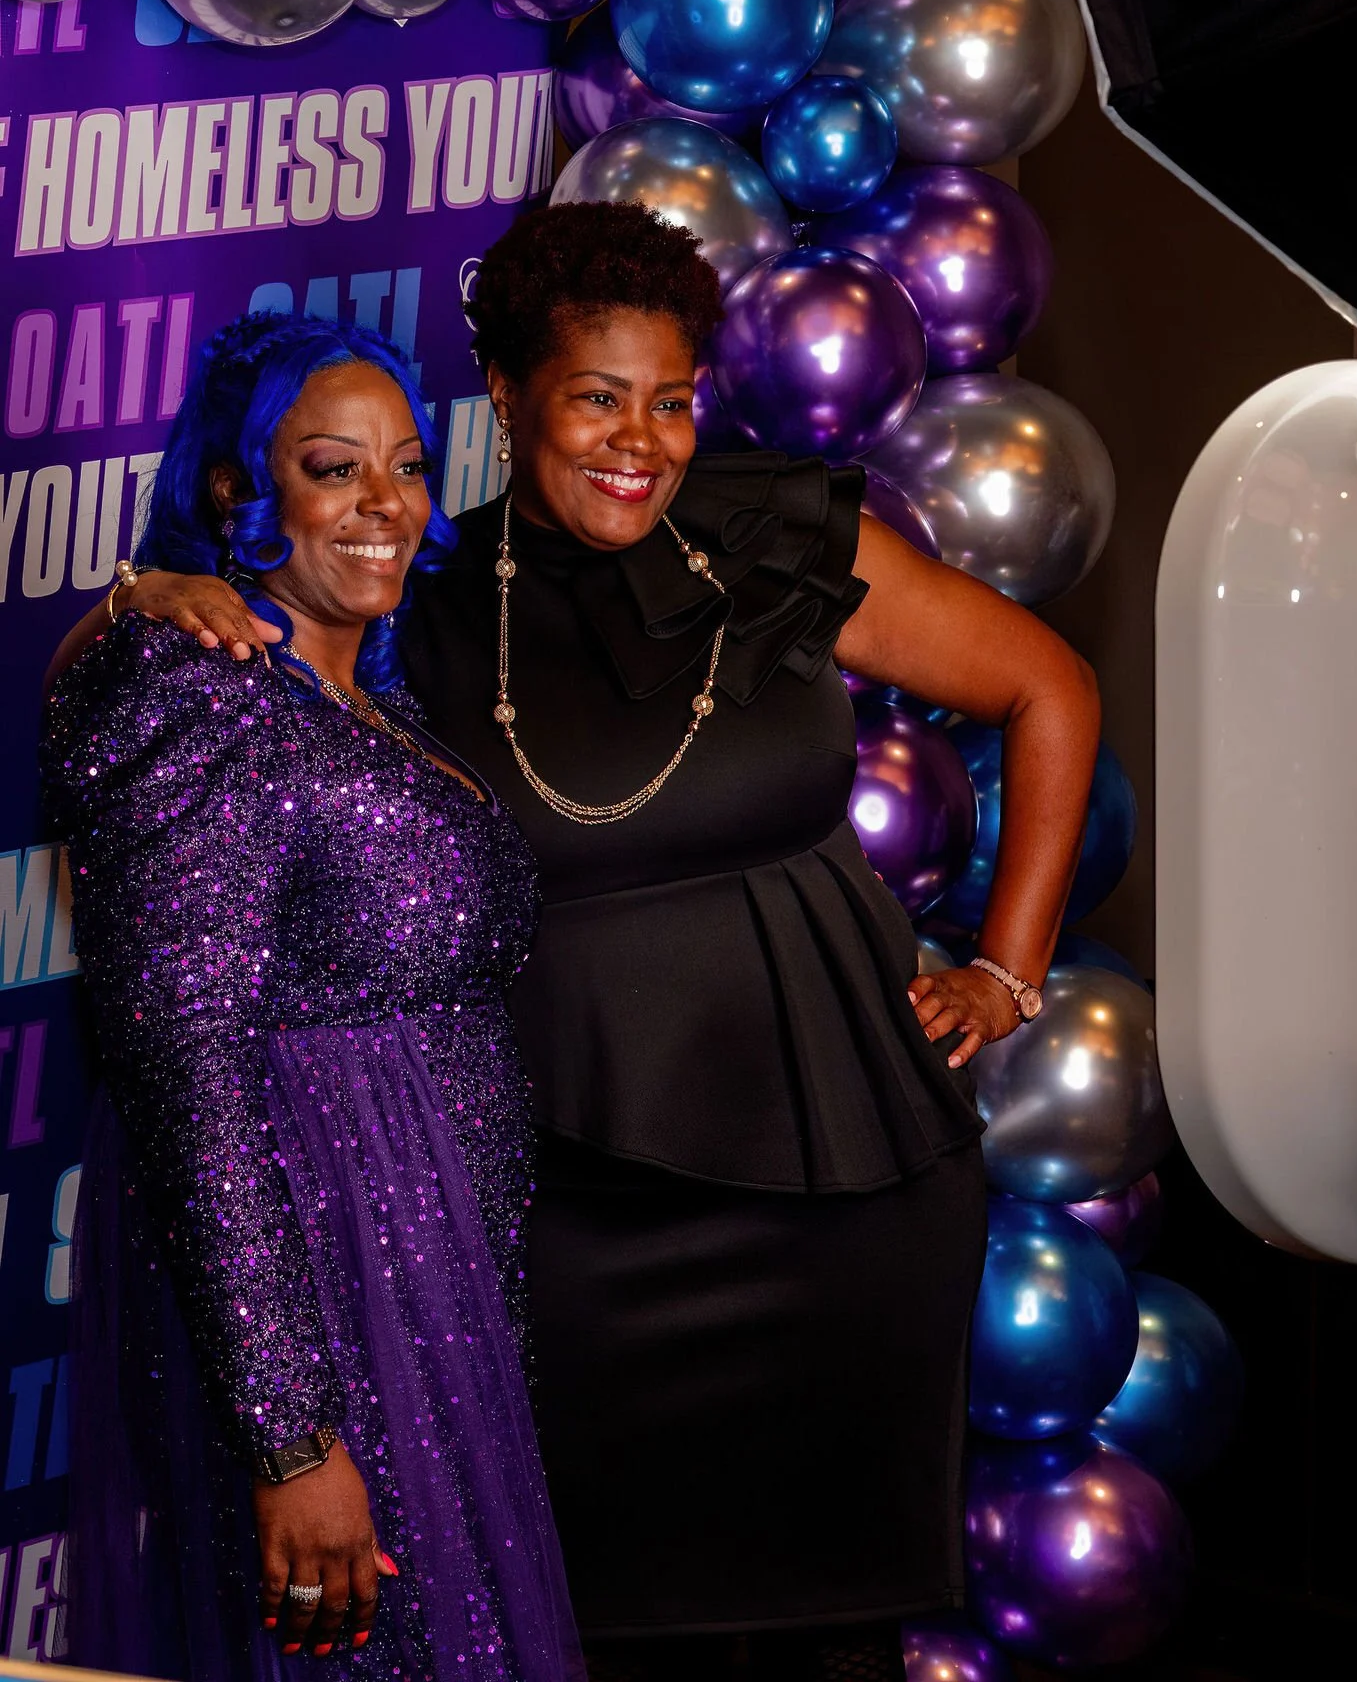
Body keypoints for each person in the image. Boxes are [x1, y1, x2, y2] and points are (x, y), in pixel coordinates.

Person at [55, 203, 1101, 1680]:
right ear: (509, 398)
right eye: (597, 394)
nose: (640, 437)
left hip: (849, 1207)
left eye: (669, 399)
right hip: (570, 1228)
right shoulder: (414, 584)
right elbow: (157, 710)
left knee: (830, 1642)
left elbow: (1049, 685)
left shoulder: (777, 540)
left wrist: (1006, 969)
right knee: (583, 1628)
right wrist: (134, 595)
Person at [42, 317, 581, 1682]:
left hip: (436, 1293)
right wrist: (291, 1435)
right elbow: (189, 1075)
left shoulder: (364, 697)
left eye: (405, 467)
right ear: (239, 490)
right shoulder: (196, 687)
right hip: (330, 1312)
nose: (386, 505)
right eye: (335, 469)